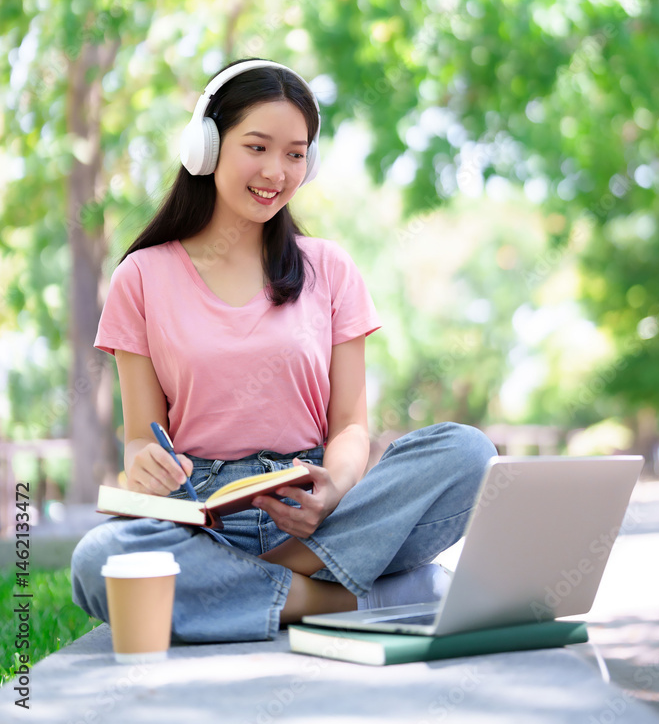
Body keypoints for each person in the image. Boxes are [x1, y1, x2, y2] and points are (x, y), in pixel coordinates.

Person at [71, 57, 497, 643]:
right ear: (207, 147)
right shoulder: (141, 277)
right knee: (98, 560)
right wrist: (146, 464)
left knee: (468, 452)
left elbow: (349, 424)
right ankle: (346, 596)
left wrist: (335, 488)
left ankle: (246, 592)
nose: (277, 170)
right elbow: (143, 438)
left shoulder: (330, 268)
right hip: (204, 519)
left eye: (296, 153)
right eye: (257, 147)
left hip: (316, 512)